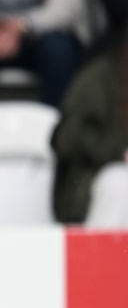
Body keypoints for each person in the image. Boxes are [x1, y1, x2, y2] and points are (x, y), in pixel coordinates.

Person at [50, 30, 128, 228]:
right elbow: (65, 137)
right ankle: (105, 259)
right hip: (89, 183)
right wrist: (119, 153)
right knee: (119, 182)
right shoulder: (98, 78)